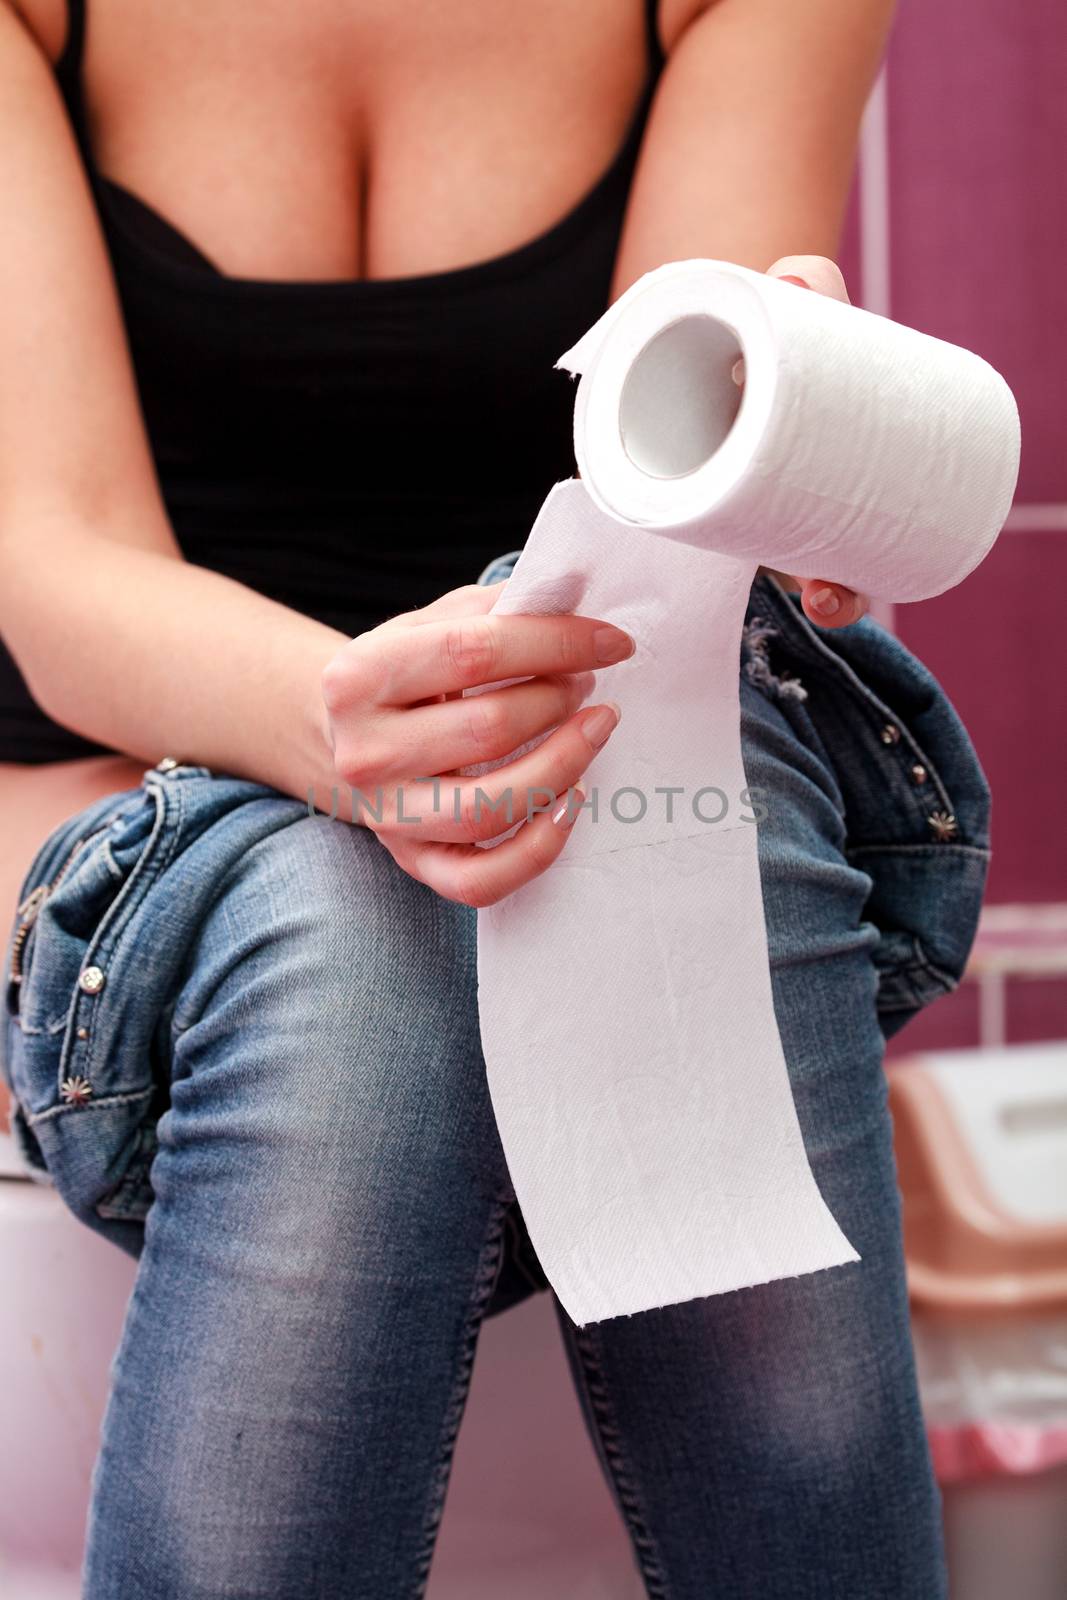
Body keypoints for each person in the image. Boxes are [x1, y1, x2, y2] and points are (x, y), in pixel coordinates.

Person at [0, 1, 988, 1594]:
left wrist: (780, 425)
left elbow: (673, 522)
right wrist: (370, 753)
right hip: (129, 764)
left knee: (703, 843)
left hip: (584, 772)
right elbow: (55, 562)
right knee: (357, 931)